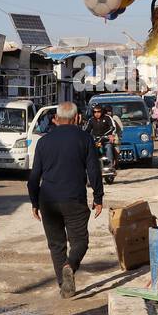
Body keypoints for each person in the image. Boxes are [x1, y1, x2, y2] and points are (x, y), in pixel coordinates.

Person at [28, 102, 103, 298]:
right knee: (80, 241)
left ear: (56, 119)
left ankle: (64, 286)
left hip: (48, 200)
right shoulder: (84, 138)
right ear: (77, 118)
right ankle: (70, 264)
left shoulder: (43, 142)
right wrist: (98, 196)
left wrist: (34, 202)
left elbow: (34, 176)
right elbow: (94, 170)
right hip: (74, 200)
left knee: (56, 244)